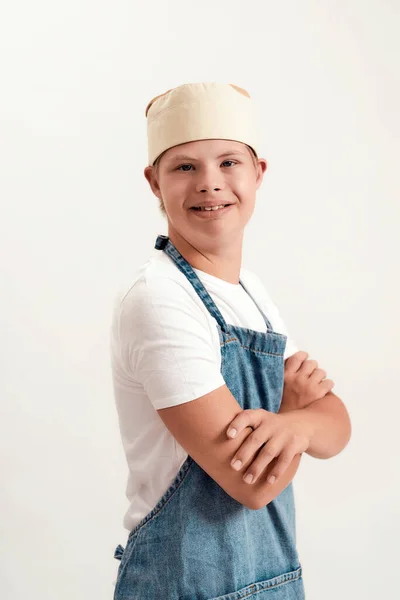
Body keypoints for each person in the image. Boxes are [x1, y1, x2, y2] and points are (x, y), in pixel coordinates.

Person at [110, 82, 351, 599]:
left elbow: (337, 429)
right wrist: (294, 411)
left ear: (258, 173)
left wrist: (297, 424)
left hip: (273, 582)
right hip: (184, 586)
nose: (209, 183)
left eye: (228, 163)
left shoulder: (252, 294)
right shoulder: (161, 299)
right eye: (184, 167)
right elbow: (251, 483)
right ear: (154, 182)